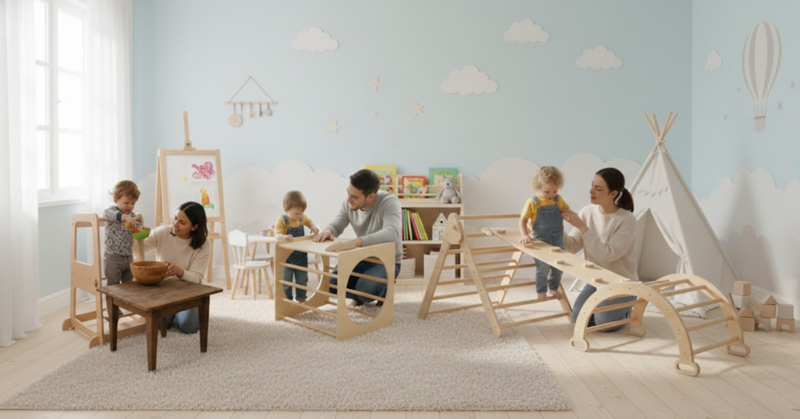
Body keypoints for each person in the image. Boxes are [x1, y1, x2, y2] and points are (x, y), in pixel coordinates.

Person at [561, 167, 638, 331]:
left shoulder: (627, 220)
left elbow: (608, 255)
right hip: (597, 280)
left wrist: (582, 226)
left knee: (603, 323)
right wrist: (556, 228)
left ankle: (628, 310)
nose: (591, 191)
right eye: (592, 185)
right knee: (579, 319)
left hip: (622, 283)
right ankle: (607, 311)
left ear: (613, 194)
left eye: (598, 188)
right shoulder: (587, 211)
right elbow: (573, 246)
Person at [313, 169, 402, 307]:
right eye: (348, 193)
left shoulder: (389, 202)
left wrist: (357, 242)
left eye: (354, 197)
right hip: (361, 257)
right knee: (330, 287)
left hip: (385, 261)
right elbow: (337, 225)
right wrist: (328, 231)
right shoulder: (348, 203)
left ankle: (380, 290)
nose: (349, 200)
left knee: (366, 291)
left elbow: (393, 233)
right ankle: (361, 293)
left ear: (371, 196)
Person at [139, 201, 211, 334]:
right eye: (175, 218)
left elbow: (197, 278)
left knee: (188, 327)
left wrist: (179, 271)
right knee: (160, 324)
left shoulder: (204, 245)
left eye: (182, 223)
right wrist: (135, 236)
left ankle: (181, 312)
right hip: (164, 290)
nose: (175, 224)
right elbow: (138, 249)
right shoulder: (162, 232)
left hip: (188, 291)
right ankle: (174, 312)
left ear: (194, 227)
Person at [518, 166, 570, 301]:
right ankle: (541, 291)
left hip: (557, 237)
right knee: (543, 268)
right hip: (541, 238)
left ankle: (553, 288)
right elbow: (522, 221)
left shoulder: (558, 199)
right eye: (547, 191)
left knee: (559, 264)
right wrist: (525, 235)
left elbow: (566, 211)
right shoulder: (532, 202)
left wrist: (568, 216)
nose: (552, 194)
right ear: (537, 187)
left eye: (555, 191)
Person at [274, 190, 320, 303]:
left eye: (301, 213)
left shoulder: (301, 218)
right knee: (286, 280)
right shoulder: (282, 220)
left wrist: (314, 227)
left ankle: (301, 298)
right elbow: (276, 235)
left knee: (302, 278)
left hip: (301, 255)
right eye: (296, 213)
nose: (299, 216)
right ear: (286, 210)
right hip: (287, 258)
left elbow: (310, 222)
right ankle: (287, 299)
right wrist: (283, 237)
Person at [103, 180, 142, 286]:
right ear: (116, 198)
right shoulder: (111, 211)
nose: (129, 206)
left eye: (133, 203)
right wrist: (123, 217)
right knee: (113, 284)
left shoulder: (132, 215)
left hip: (128, 256)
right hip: (113, 256)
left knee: (128, 284)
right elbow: (107, 214)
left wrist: (141, 232)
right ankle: (113, 303)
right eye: (126, 203)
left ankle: (124, 303)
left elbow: (137, 231)